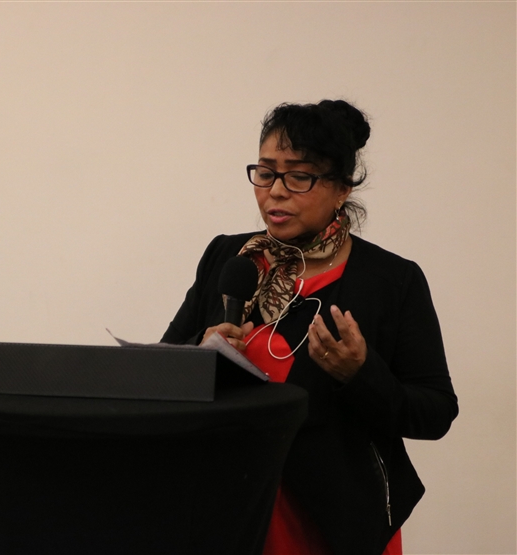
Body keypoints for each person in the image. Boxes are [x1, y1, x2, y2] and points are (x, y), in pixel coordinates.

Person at [160, 100, 458, 555]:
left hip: (332, 523)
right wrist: (199, 350)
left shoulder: (390, 281)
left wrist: (361, 374)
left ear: (341, 188)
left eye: (298, 176)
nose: (276, 192)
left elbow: (435, 413)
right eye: (265, 173)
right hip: (225, 510)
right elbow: (161, 369)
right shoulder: (227, 258)